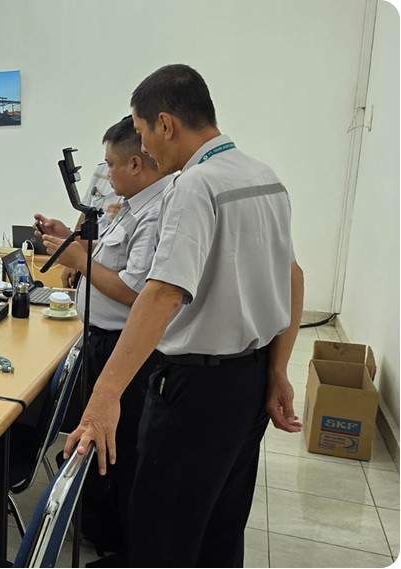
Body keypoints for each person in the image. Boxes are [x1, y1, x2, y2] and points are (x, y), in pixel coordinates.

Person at [63, 64, 304, 567]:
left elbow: (160, 295)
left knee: (162, 534)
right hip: (248, 382)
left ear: (167, 124)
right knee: (220, 524)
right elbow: (293, 276)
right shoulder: (265, 176)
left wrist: (104, 397)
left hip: (195, 391)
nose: (144, 148)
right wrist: (279, 368)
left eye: (145, 131)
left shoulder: (195, 186)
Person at [37, 115, 173, 565]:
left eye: (111, 165)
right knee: (94, 439)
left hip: (125, 346)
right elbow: (102, 256)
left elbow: (136, 292)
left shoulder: (157, 213)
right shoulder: (129, 204)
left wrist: (80, 257)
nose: (106, 175)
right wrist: (68, 239)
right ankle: (94, 522)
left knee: (120, 447)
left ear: (136, 163)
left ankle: (116, 543)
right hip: (98, 337)